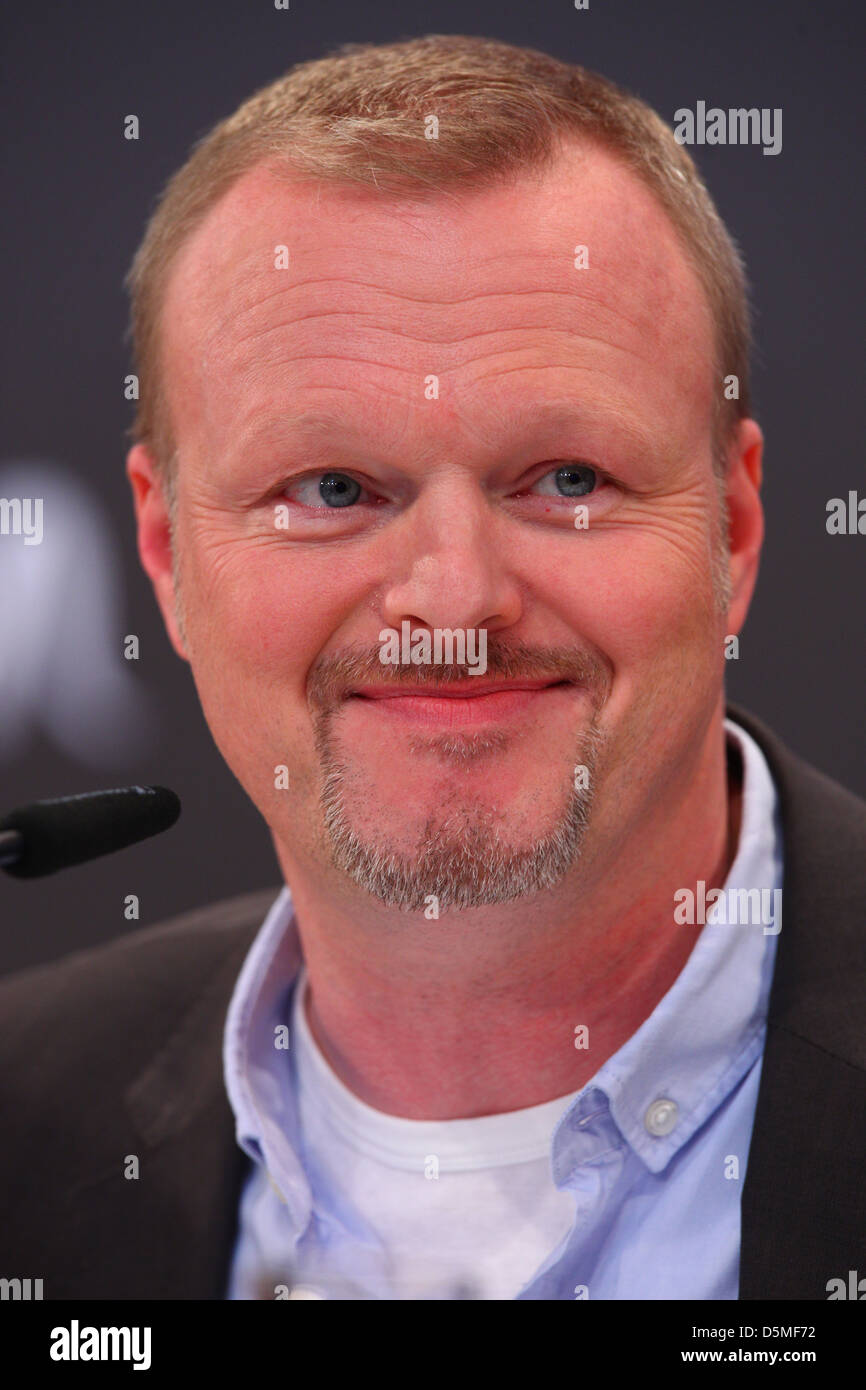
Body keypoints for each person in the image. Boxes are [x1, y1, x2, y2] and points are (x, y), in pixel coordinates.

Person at [2, 34, 864, 1302]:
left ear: (730, 530)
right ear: (168, 552)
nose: (452, 599)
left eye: (565, 478)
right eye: (331, 488)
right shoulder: (22, 1112)